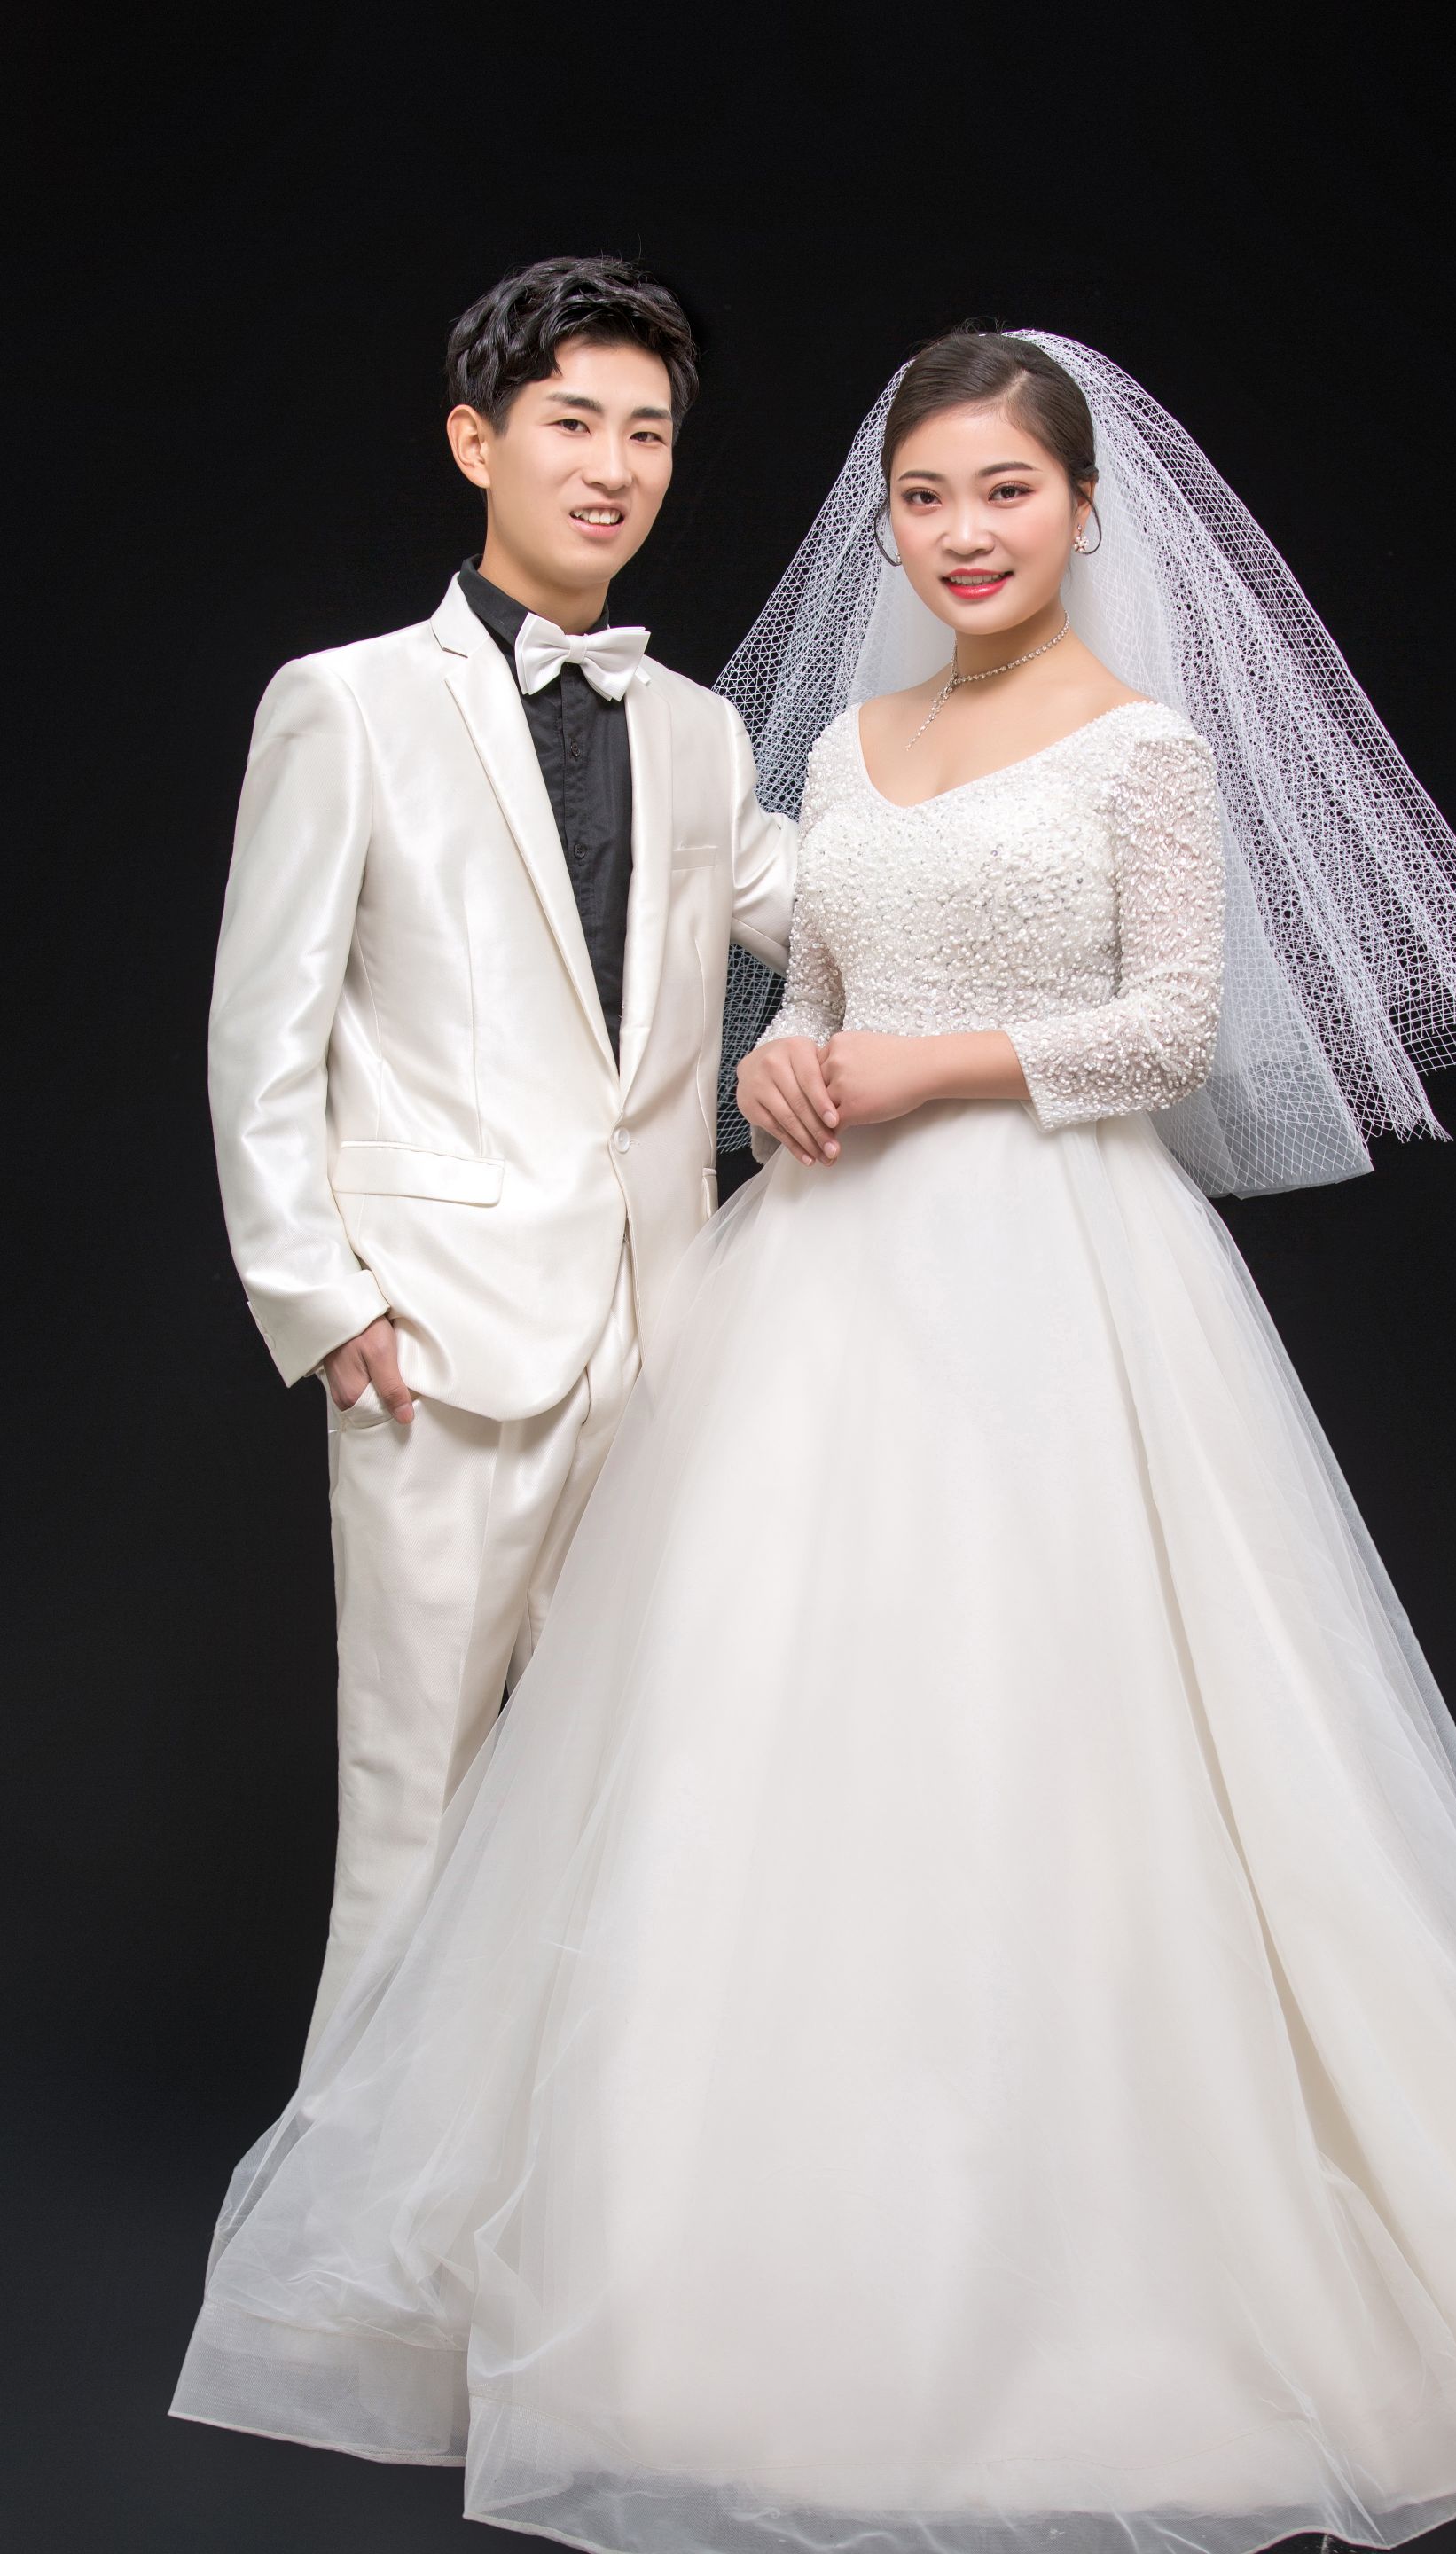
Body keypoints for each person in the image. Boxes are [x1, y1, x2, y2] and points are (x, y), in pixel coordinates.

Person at [176, 331, 1456, 2548]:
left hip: (1059, 1279)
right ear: (880, 521)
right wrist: (793, 1063)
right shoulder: (835, 746)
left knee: (1057, 1740)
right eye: (924, 497)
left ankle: (1053, 2270)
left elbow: (1172, 1026)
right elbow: (802, 987)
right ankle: (655, 2273)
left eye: (1005, 491)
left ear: (1084, 510)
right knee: (754, 1750)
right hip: (808, 1284)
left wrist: (930, 1066)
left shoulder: (1143, 745)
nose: (964, 533)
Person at [207, 255, 796, 2057]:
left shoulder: (701, 733)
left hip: (665, 1344)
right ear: (478, 441)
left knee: (647, 1812)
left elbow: (834, 919)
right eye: (573, 423)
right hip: (439, 1348)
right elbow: (263, 1031)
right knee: (415, 1822)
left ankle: (583, 2193)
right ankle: (354, 2224)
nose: (613, 467)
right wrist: (322, 1303)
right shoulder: (345, 704)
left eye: (649, 434)